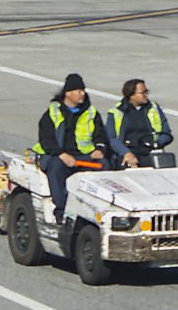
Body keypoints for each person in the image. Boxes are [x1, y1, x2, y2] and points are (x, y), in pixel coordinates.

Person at [37, 73, 133, 220]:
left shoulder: (91, 113)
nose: (82, 93)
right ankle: (62, 211)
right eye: (78, 90)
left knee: (104, 165)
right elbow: (46, 140)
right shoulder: (52, 113)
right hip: (61, 156)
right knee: (55, 168)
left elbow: (101, 136)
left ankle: (102, 209)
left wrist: (99, 149)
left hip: (85, 158)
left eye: (83, 90)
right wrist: (62, 155)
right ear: (68, 93)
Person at [111, 79, 174, 163]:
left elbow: (166, 132)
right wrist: (126, 153)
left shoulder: (153, 108)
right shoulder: (117, 111)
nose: (145, 95)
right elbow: (111, 138)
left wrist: (157, 143)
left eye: (146, 92)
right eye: (142, 93)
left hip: (151, 151)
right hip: (128, 151)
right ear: (131, 95)